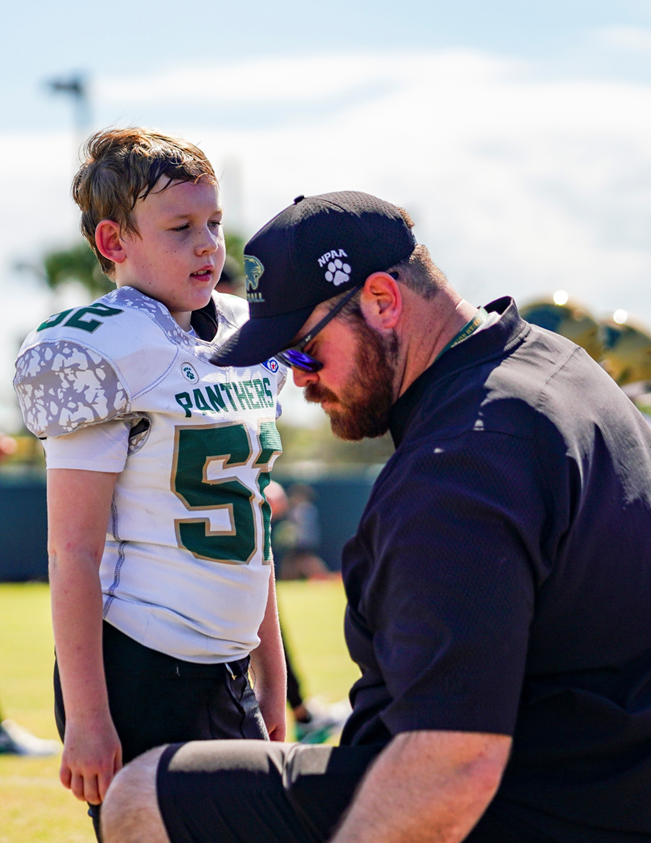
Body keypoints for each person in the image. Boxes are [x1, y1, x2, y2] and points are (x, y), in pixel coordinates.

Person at [101, 191, 651, 843]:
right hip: (599, 776)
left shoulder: (459, 464)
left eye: (302, 351)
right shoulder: (555, 364)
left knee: (141, 793)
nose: (298, 381)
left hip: (535, 802)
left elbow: (453, 763)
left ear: (383, 301)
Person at [13, 129, 286, 838]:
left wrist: (274, 686)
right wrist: (89, 716)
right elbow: (72, 552)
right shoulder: (96, 348)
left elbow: (251, 530)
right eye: (180, 227)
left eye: (214, 223)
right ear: (113, 242)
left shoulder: (243, 334)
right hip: (141, 669)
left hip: (227, 669)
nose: (208, 245)